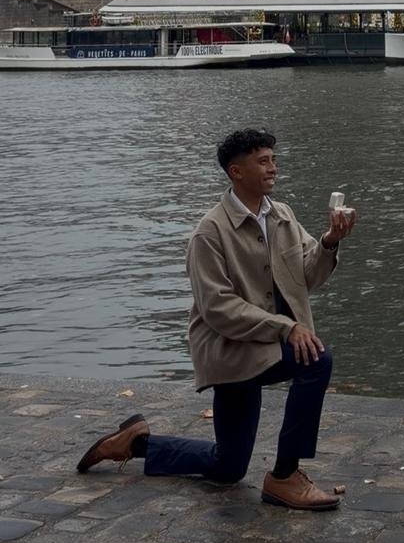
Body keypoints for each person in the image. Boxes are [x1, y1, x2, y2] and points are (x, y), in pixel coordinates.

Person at [77, 127, 356, 510]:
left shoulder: (283, 216)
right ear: (235, 172)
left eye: (274, 159)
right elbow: (218, 309)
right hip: (231, 350)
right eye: (263, 161)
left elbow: (307, 276)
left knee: (228, 467)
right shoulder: (209, 234)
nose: (273, 168)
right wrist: (287, 328)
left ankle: (137, 443)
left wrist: (328, 242)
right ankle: (284, 476)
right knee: (316, 360)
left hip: (266, 345)